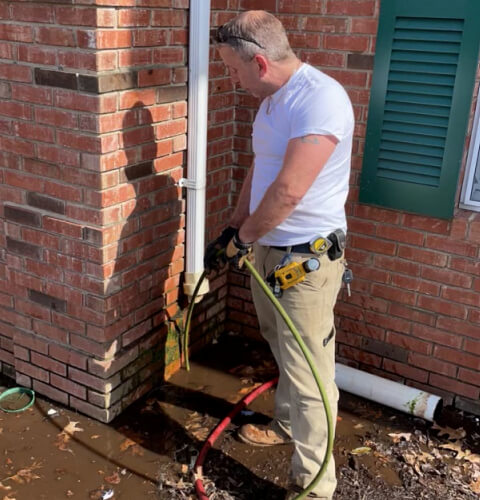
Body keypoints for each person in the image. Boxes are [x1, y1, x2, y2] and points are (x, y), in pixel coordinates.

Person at [204, 10, 354, 500]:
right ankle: (288, 426)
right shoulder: (270, 103)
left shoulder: (320, 100)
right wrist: (233, 226)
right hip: (266, 249)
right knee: (283, 349)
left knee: (311, 374)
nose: (231, 78)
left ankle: (314, 485)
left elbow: (288, 191)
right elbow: (262, 171)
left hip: (304, 261)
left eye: (232, 69)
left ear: (261, 63)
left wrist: (244, 238)